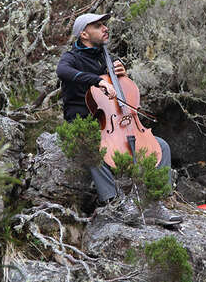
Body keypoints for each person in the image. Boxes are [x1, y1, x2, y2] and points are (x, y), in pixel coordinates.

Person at [56, 13, 182, 225]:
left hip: (116, 124)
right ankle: (114, 203)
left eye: (104, 24)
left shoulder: (107, 58)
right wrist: (97, 81)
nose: (105, 28)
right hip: (84, 125)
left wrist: (120, 73)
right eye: (98, 25)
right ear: (84, 34)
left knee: (162, 147)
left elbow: (121, 92)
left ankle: (155, 204)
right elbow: (63, 71)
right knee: (94, 150)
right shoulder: (71, 58)